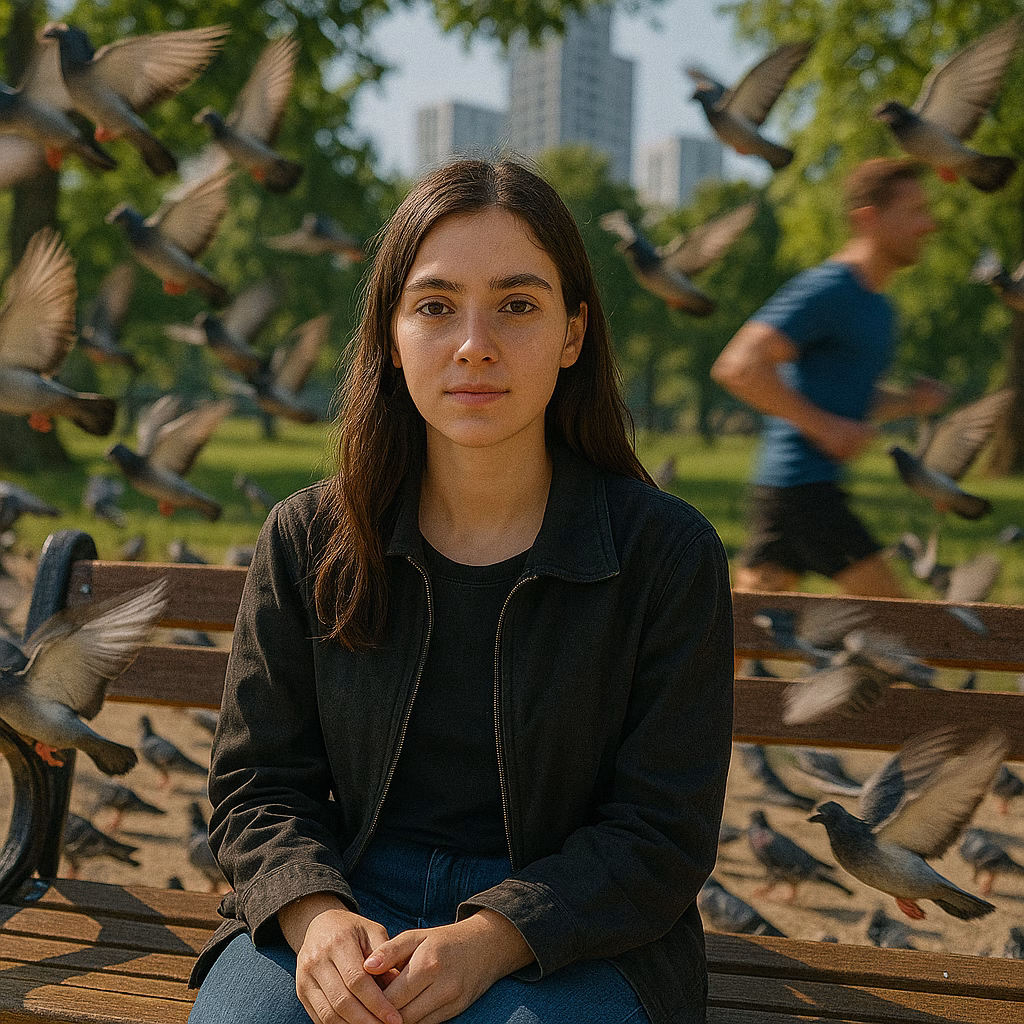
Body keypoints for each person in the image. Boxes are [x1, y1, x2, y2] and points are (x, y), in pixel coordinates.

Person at [187, 158, 734, 1024]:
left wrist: (492, 936)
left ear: (572, 332)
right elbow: (258, 783)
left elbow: (662, 833)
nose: (473, 342)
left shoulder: (667, 555)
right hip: (350, 888)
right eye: (435, 306)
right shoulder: (306, 540)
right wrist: (313, 913)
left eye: (517, 305)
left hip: (573, 924)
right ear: (392, 335)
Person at [711, 157, 949, 597]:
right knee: (905, 633)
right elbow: (740, 367)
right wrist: (825, 427)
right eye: (915, 212)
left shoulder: (878, 305)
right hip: (804, 491)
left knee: (735, 642)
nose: (928, 225)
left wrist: (909, 401)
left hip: (795, 493)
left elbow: (845, 395)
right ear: (868, 219)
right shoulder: (830, 289)